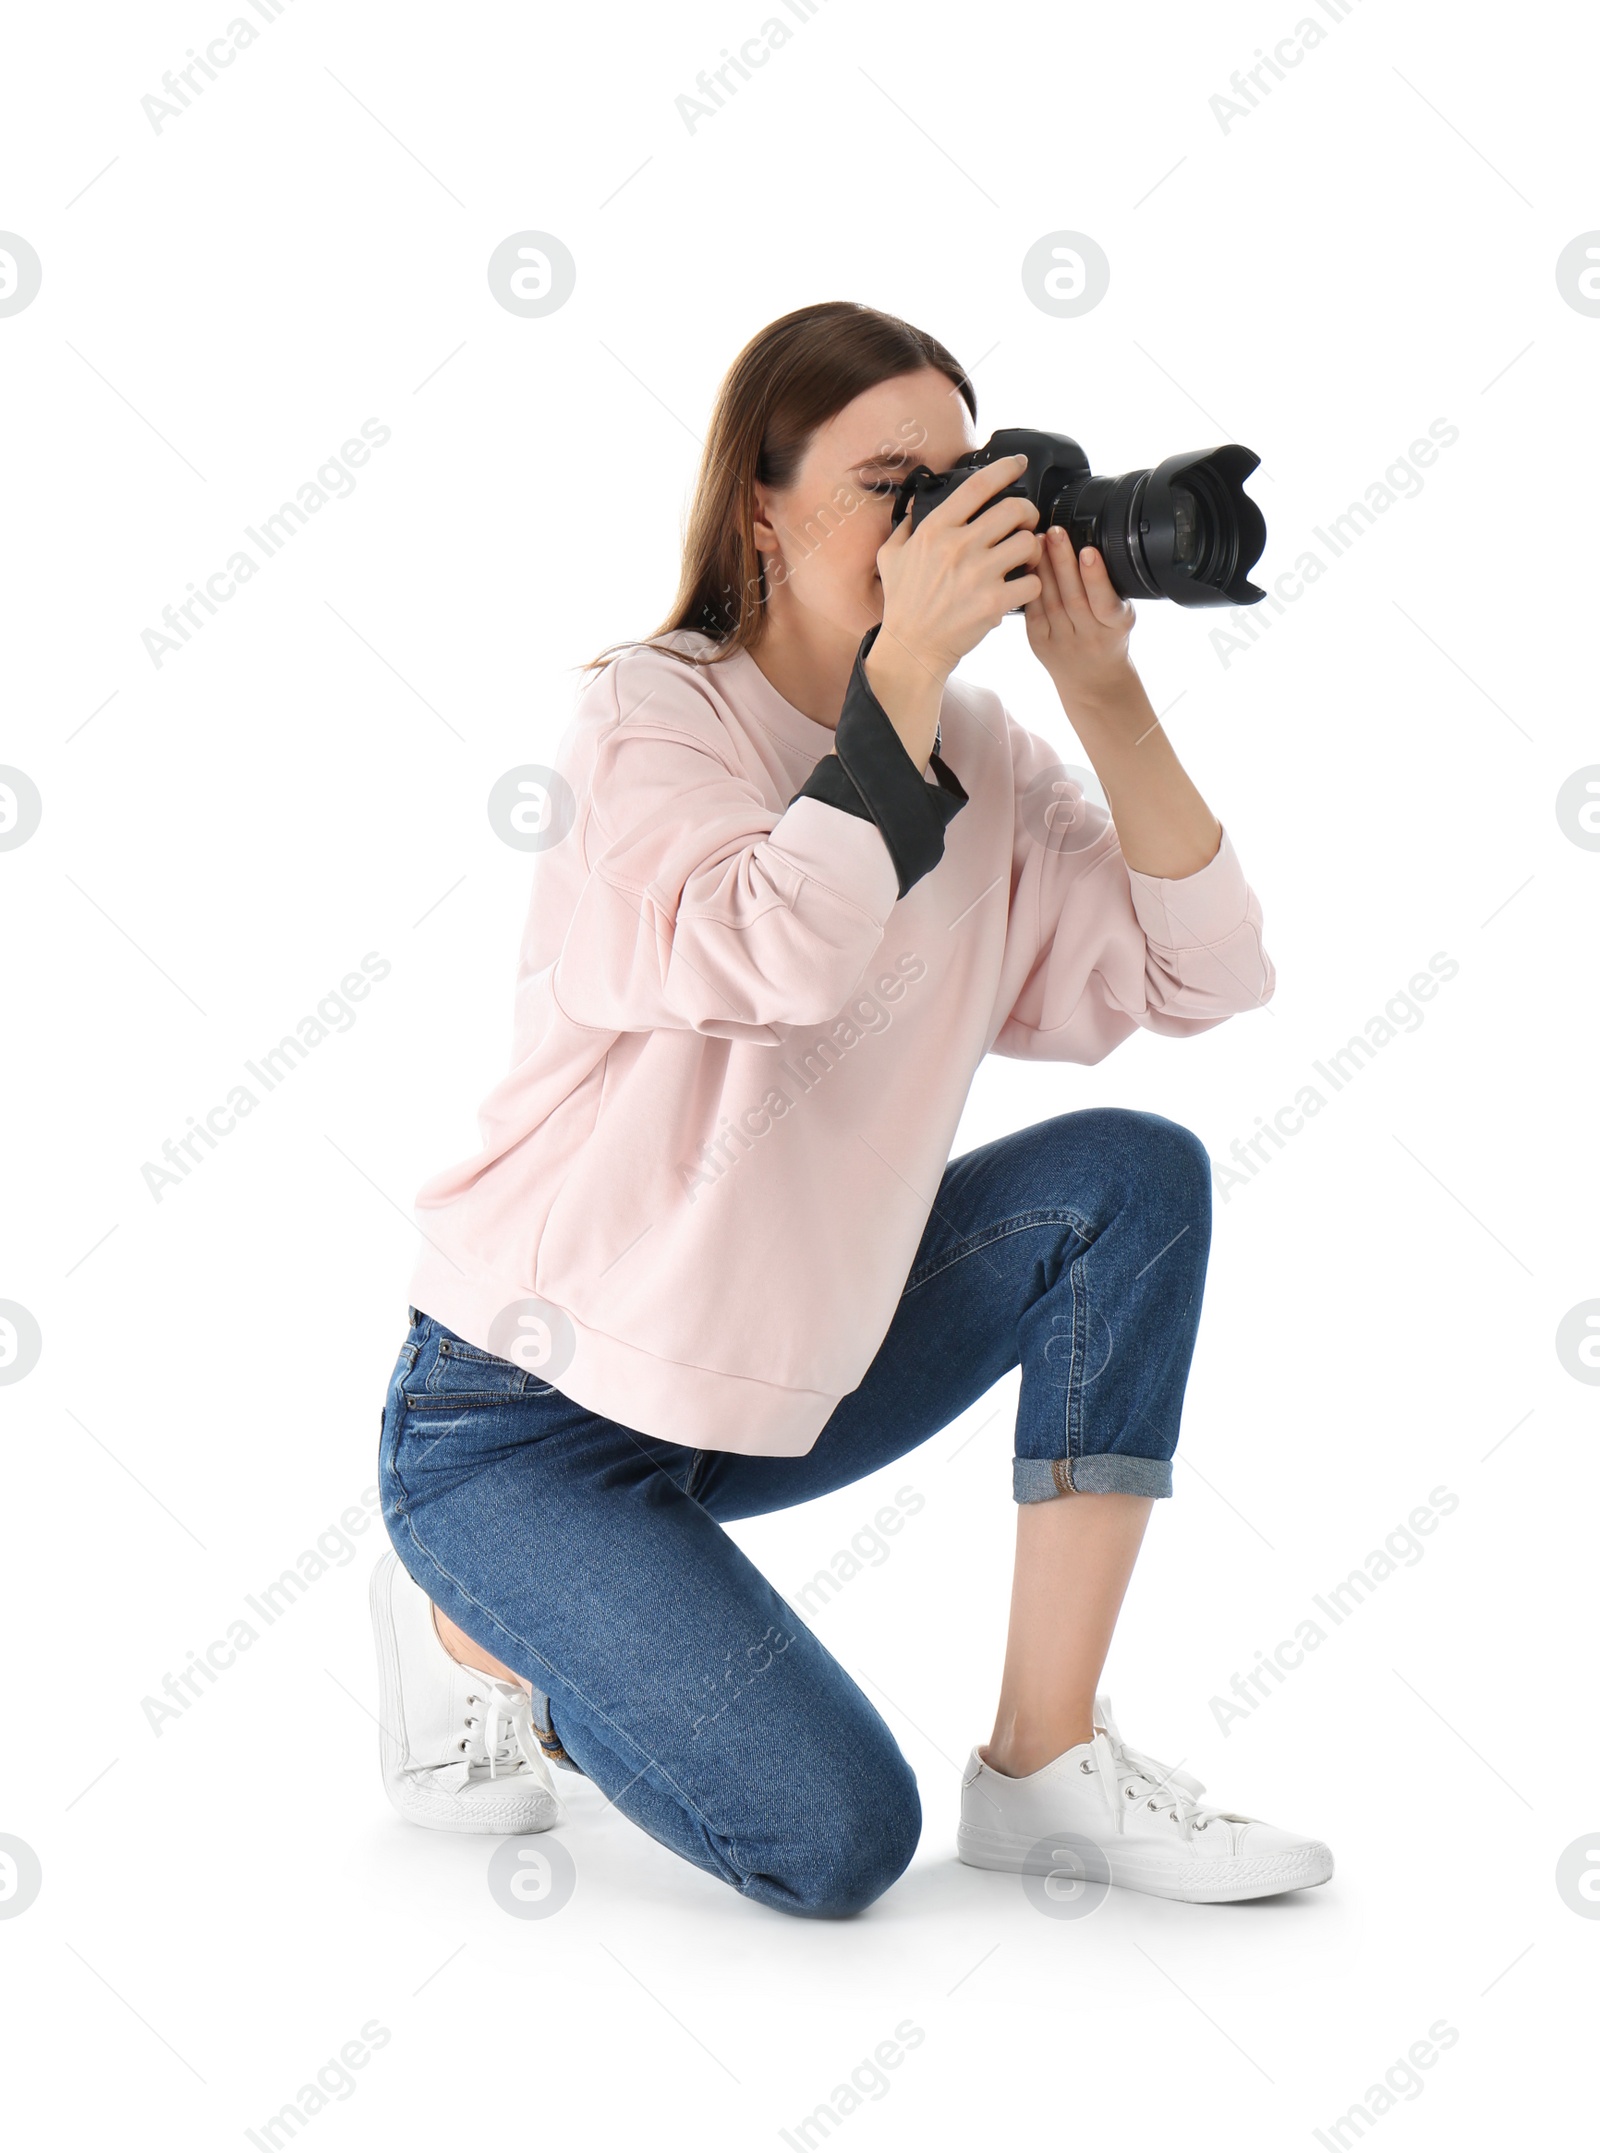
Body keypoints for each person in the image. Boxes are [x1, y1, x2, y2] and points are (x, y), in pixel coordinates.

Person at [367, 299, 1332, 1917]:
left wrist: (1100, 690)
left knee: (1131, 1178)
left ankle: (1045, 1763)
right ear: (760, 500)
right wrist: (904, 676)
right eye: (896, 482)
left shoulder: (986, 749)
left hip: (756, 1387)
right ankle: (479, 1614)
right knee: (833, 1846)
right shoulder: (650, 715)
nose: (940, 520)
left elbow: (1204, 975)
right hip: (518, 1418)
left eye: (964, 481)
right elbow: (777, 951)